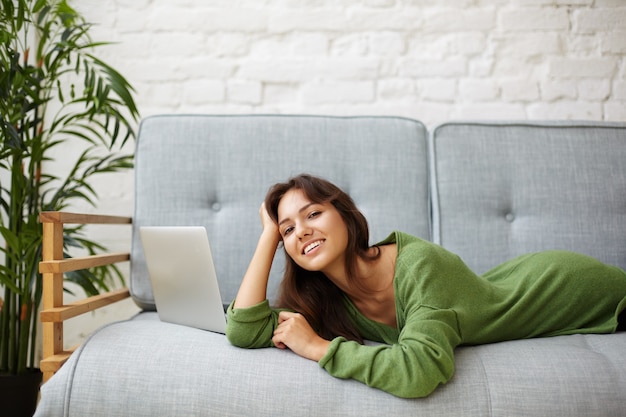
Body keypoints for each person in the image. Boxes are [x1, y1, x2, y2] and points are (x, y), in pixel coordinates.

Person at [226, 174, 626, 398]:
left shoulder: (419, 266)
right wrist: (267, 236)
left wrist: (319, 347)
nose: (303, 231)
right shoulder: (328, 299)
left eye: (313, 212)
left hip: (573, 287)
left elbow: (419, 370)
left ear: (346, 217)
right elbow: (245, 330)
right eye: (288, 229)